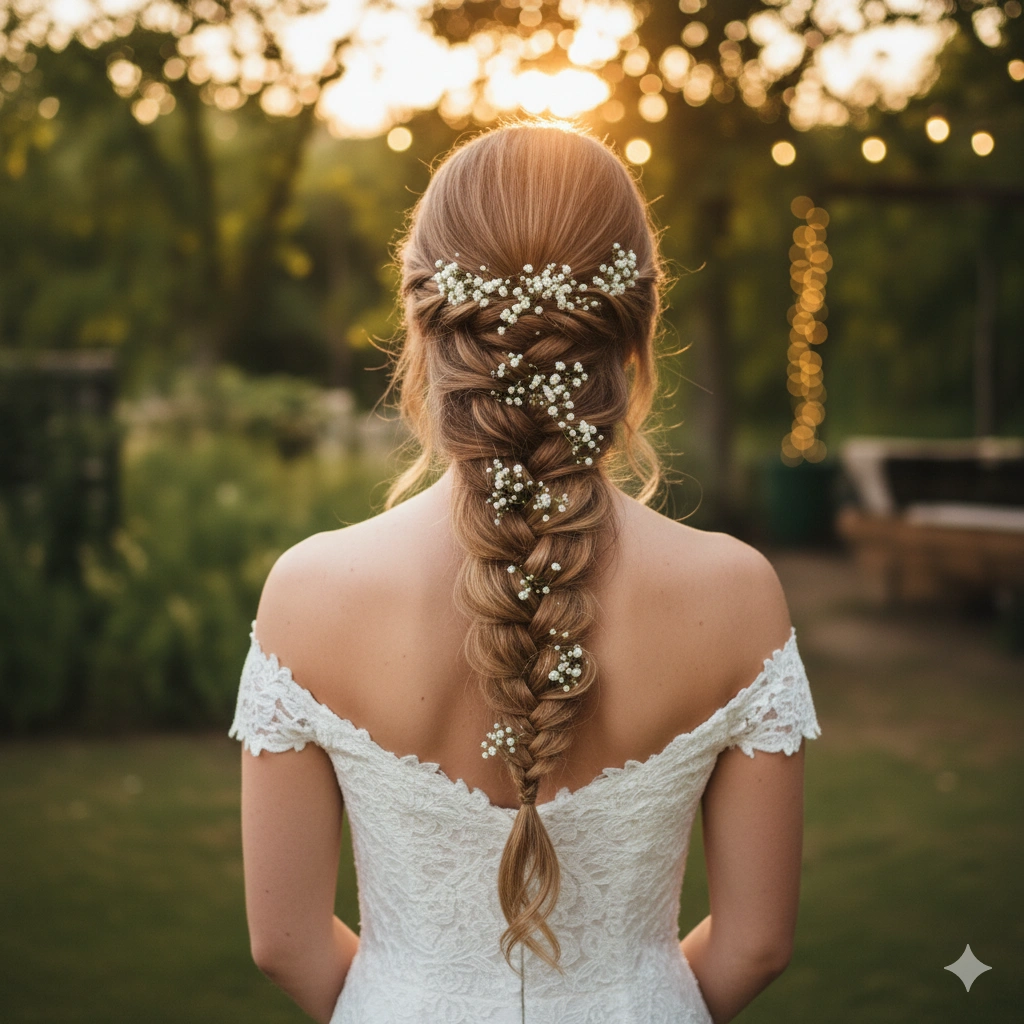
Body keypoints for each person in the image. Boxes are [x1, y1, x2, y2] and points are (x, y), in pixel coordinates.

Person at [229, 121, 822, 1024]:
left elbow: (285, 944)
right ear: (636, 334)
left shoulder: (308, 593)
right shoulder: (738, 594)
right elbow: (757, 944)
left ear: (425, 328)